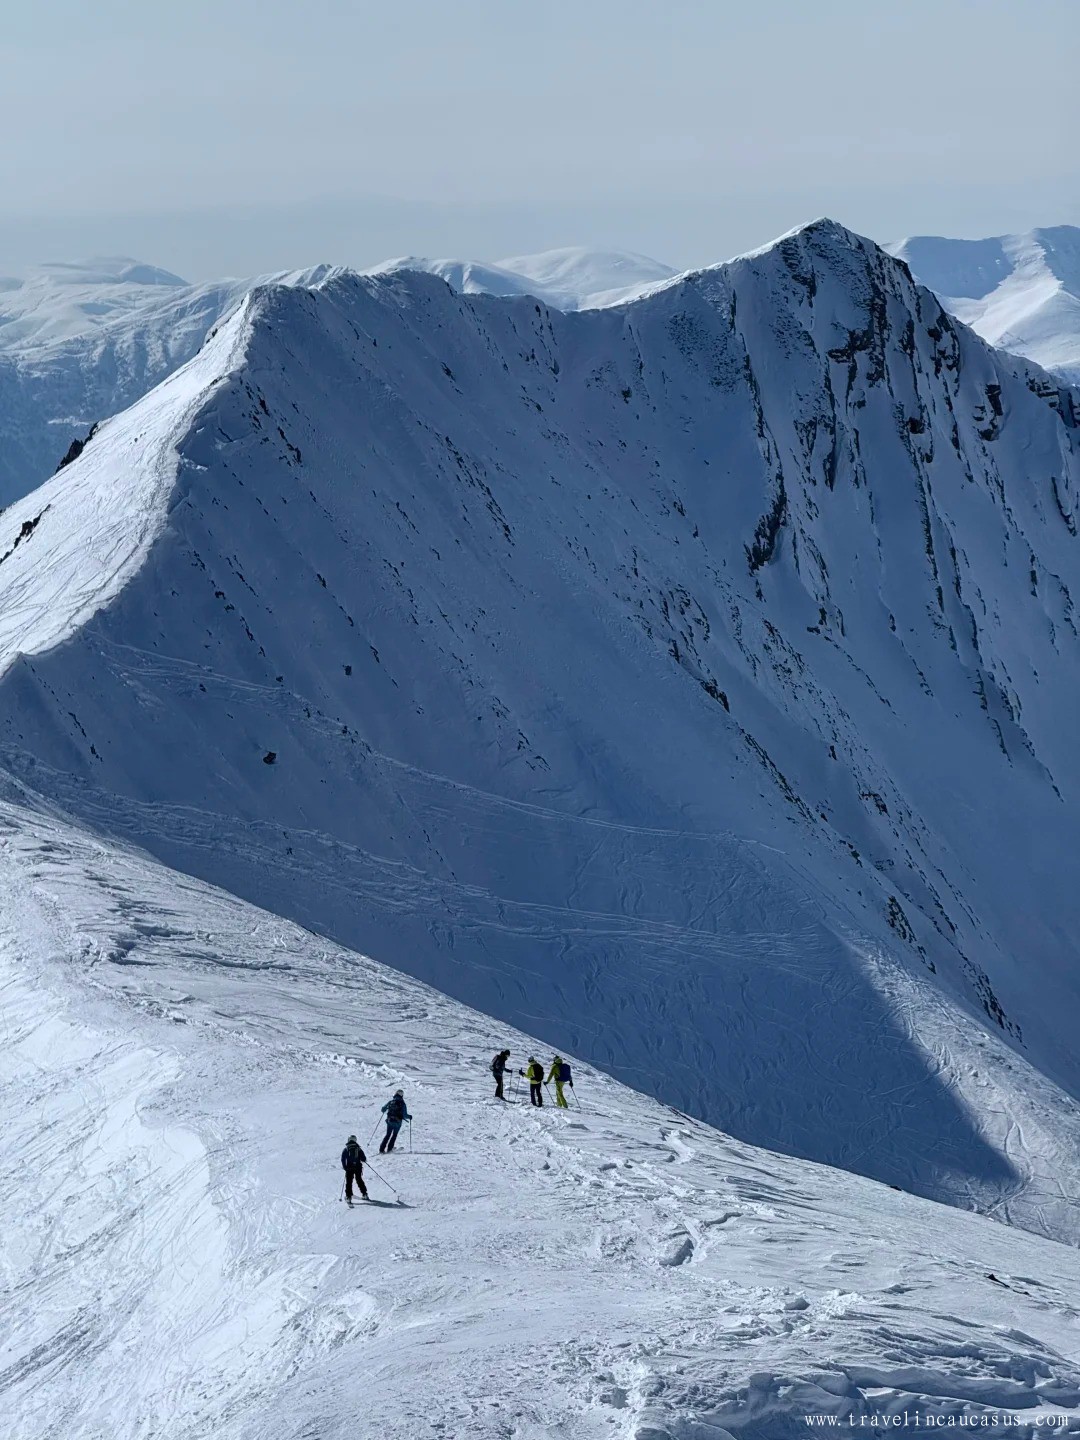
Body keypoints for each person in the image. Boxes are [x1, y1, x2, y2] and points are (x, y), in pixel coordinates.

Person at [341, 1134, 368, 1202]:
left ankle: (348, 1196)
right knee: (359, 1179)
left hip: (349, 1167)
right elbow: (363, 1158)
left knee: (349, 1181)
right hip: (358, 1167)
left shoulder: (346, 1149)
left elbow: (343, 1159)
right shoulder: (358, 1148)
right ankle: (364, 1194)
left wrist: (345, 1167)